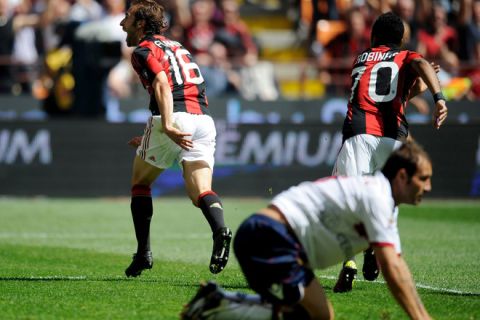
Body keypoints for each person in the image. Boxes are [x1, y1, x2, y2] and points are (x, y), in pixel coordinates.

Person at [182, 141, 435, 320]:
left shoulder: (381, 198)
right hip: (269, 238)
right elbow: (391, 266)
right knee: (302, 313)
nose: (429, 186)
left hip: (278, 240)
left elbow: (397, 263)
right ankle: (217, 304)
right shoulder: (377, 196)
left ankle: (217, 302)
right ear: (402, 176)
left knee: (320, 315)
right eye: (423, 178)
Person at [331, 11, 448, 293]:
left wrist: (415, 82)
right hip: (393, 139)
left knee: (346, 200)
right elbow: (415, 69)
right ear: (401, 40)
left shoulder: (360, 60)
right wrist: (438, 97)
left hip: (359, 134)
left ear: (373, 37)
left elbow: (377, 92)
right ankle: (375, 248)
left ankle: (349, 263)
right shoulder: (404, 56)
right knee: (386, 198)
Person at [119, 0, 232, 277]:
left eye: (128, 18)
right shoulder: (179, 47)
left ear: (141, 24)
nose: (122, 24)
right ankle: (221, 230)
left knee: (140, 182)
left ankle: (143, 253)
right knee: (200, 193)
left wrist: (166, 125)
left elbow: (161, 83)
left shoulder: (143, 51)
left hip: (175, 117)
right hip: (204, 121)